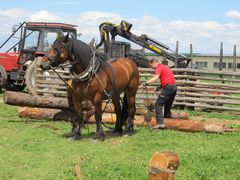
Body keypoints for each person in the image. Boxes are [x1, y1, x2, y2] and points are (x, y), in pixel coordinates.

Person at [143, 58, 177, 129]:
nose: (151, 68)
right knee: (167, 104)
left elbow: (156, 77)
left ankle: (160, 123)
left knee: (158, 104)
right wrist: (161, 86)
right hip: (173, 87)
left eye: (151, 65)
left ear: (154, 63)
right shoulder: (164, 67)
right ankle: (168, 118)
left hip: (169, 87)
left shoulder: (159, 67)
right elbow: (167, 78)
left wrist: (146, 83)